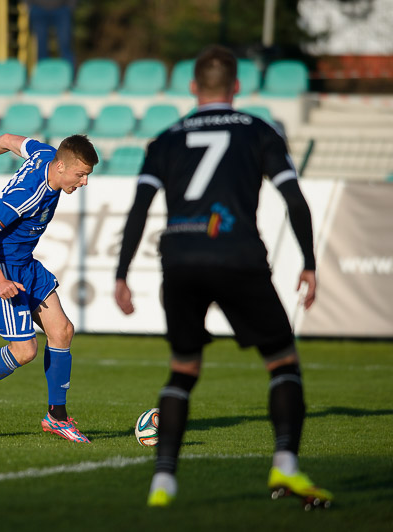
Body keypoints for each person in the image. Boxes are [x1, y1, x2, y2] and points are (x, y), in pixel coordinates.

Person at [114, 45, 333, 507]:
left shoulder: (165, 138)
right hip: (238, 256)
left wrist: (121, 273)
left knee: (183, 370)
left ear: (193, 87)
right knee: (282, 362)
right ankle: (286, 465)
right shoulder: (259, 131)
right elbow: (294, 199)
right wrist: (309, 262)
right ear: (236, 86)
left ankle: (162, 483)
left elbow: (138, 210)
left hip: (180, 260)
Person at [0, 133, 98, 443]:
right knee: (25, 351)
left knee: (62, 331)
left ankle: (56, 417)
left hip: (25, 265)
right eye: (81, 175)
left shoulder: (45, 154)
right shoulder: (29, 194)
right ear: (62, 166)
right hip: (0, 269)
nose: (84, 182)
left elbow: (7, 140)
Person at [24, 0, 76, 66]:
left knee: (65, 43)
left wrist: (70, 6)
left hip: (63, 9)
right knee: (41, 46)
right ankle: (43, 71)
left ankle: (69, 71)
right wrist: (28, 5)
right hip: (37, 9)